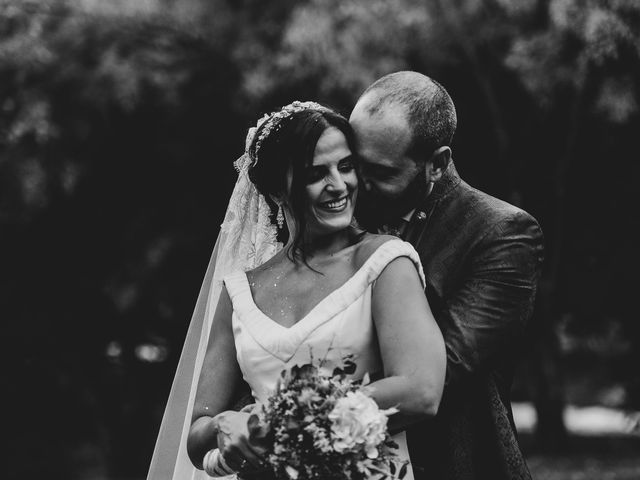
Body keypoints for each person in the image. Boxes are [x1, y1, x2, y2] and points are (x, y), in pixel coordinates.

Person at [147, 101, 446, 480]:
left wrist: (267, 424)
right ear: (277, 189)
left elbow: (421, 390)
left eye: (346, 166)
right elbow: (198, 432)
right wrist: (225, 427)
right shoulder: (240, 291)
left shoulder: (384, 263)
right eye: (315, 173)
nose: (338, 185)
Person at [349, 72, 544, 480]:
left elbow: (443, 367)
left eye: (381, 173)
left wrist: (306, 406)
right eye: (355, 165)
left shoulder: (501, 233)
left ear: (437, 163)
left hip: (454, 463)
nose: (358, 185)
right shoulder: (340, 217)